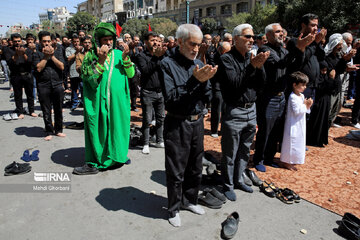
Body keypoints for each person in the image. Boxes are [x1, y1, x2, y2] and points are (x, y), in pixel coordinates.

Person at [160, 24, 217, 227]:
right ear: (181, 41)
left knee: (195, 167)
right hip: (177, 123)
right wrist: (195, 81)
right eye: (192, 44)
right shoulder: (167, 64)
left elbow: (208, 95)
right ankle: (173, 209)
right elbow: (172, 98)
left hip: (197, 122)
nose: (196, 49)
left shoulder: (197, 62)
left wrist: (205, 81)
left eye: (199, 45)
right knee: (176, 170)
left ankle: (190, 200)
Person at [73, 22, 135, 175]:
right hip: (99, 101)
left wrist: (126, 58)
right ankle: (96, 161)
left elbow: (131, 74)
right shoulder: (90, 56)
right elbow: (88, 79)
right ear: (98, 41)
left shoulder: (120, 55)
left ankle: (118, 156)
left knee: (118, 128)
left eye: (110, 39)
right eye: (105, 40)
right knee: (100, 129)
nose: (108, 43)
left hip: (117, 102)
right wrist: (100, 60)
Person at [253, 23, 313, 172]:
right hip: (268, 98)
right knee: (265, 130)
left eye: (281, 31)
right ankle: (258, 158)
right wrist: (297, 48)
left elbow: (294, 66)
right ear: (268, 36)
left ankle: (269, 157)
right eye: (277, 32)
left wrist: (302, 49)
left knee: (276, 130)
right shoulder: (265, 50)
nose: (281, 34)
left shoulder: (283, 50)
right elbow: (280, 65)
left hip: (281, 97)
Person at [219, 23, 268, 200]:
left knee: (245, 150)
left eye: (253, 37)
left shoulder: (251, 58)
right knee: (230, 152)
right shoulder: (226, 59)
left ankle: (239, 179)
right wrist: (252, 67)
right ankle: (227, 184)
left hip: (251, 109)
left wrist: (259, 66)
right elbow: (234, 84)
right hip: (234, 111)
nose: (251, 40)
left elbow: (261, 84)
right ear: (236, 39)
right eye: (248, 37)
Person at [136, 32, 166, 154]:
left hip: (160, 92)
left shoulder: (164, 55)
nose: (156, 43)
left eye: (158, 41)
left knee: (161, 118)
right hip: (147, 92)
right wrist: (155, 57)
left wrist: (161, 55)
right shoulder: (141, 56)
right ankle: (146, 143)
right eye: (153, 40)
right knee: (147, 120)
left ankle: (160, 140)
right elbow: (146, 70)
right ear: (146, 42)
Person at [32, 31, 65, 140]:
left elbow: (62, 66)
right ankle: (49, 130)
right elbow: (38, 68)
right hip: (43, 85)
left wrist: (52, 56)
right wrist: (46, 57)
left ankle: (58, 130)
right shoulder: (36, 53)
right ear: (40, 42)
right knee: (46, 110)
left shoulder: (59, 51)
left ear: (52, 41)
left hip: (57, 84)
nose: (47, 43)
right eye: (44, 41)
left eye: (48, 41)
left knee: (58, 108)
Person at [278, 72, 313, 170]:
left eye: (305, 85)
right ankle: (286, 161)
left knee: (298, 141)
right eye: (302, 85)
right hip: (292, 124)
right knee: (291, 142)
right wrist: (306, 105)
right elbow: (297, 111)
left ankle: (294, 159)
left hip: (300, 123)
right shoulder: (292, 96)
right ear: (294, 85)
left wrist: (308, 106)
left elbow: (305, 110)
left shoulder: (301, 96)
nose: (304, 87)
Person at [4, 33, 37, 118]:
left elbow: (30, 62)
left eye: (19, 41)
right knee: (18, 94)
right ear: (12, 41)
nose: (18, 43)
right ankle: (20, 111)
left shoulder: (27, 49)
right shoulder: (8, 50)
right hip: (16, 75)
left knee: (30, 94)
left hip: (27, 74)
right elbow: (10, 63)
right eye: (15, 41)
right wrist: (17, 54)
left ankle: (31, 110)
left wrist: (24, 54)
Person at [307, 61, 336, 147]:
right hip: (318, 101)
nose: (324, 72)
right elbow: (320, 87)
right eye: (322, 70)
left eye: (325, 70)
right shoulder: (317, 77)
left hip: (325, 101)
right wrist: (330, 79)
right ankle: (312, 139)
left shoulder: (325, 76)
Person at [210, 41, 232, 138]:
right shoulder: (213, 57)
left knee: (225, 110)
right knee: (216, 109)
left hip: (226, 86)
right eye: (224, 52)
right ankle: (214, 130)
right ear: (220, 50)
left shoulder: (229, 57)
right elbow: (216, 71)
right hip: (217, 86)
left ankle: (223, 129)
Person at [66, 34, 83, 111]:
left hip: (82, 72)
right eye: (75, 41)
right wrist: (76, 52)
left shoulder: (83, 49)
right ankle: (74, 104)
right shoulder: (69, 49)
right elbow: (69, 58)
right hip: (73, 72)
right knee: (74, 89)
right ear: (72, 42)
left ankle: (83, 102)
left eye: (77, 41)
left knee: (83, 88)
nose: (76, 43)